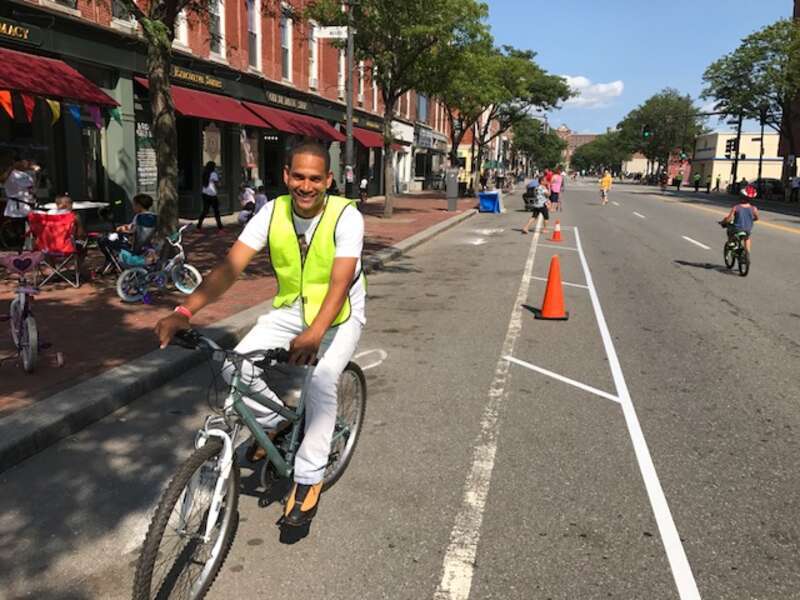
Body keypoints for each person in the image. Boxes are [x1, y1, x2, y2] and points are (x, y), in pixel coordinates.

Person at [155, 141, 365, 528]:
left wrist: (316, 332)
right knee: (234, 365)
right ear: (286, 175)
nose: (306, 186)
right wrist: (184, 311)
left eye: (315, 178)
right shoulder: (271, 212)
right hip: (291, 310)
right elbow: (230, 268)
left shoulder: (346, 216)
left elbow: (340, 282)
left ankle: (308, 477)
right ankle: (276, 423)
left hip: (338, 316)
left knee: (320, 380)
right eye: (298, 176)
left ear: (328, 180)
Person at [98, 193, 157, 265]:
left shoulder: (139, 217)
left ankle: (111, 261)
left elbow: (132, 231)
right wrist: (124, 227)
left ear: (139, 206)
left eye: (134, 205)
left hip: (133, 246)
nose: (133, 207)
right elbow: (134, 227)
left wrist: (121, 230)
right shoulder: (154, 216)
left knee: (102, 239)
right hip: (147, 245)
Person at [2, 157, 40, 250]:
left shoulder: (27, 174)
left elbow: (32, 188)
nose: (26, 164)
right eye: (23, 162)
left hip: (28, 204)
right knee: (19, 230)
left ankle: (31, 247)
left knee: (33, 228)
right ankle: (19, 248)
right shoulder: (10, 174)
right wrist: (11, 168)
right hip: (16, 206)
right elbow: (2, 180)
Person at [721, 190, 759, 254]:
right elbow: (756, 218)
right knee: (747, 238)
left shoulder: (736, 207)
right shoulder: (754, 208)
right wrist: (750, 220)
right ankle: (747, 254)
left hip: (737, 229)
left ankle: (731, 243)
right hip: (747, 229)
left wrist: (724, 222)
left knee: (729, 230)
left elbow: (729, 219)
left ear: (741, 198)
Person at [198, 161, 223, 233]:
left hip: (204, 193)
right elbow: (218, 184)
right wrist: (219, 177)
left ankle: (199, 226)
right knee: (216, 211)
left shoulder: (204, 173)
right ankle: (220, 227)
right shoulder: (213, 174)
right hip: (212, 194)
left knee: (205, 210)